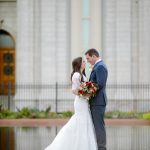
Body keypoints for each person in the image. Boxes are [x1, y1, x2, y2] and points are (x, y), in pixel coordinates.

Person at [44, 57, 98, 150]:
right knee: (80, 120)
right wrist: (85, 94)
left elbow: (84, 88)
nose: (85, 63)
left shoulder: (82, 74)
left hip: (84, 102)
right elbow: (74, 90)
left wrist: (88, 93)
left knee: (85, 120)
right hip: (80, 102)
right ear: (79, 64)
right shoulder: (76, 75)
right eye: (83, 62)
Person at [85, 48, 108, 150]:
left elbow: (100, 84)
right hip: (96, 101)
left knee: (99, 125)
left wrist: (87, 92)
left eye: (88, 58)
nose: (88, 61)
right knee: (97, 125)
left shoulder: (100, 67)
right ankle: (99, 145)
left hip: (98, 101)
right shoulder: (98, 66)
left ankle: (101, 147)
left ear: (94, 56)